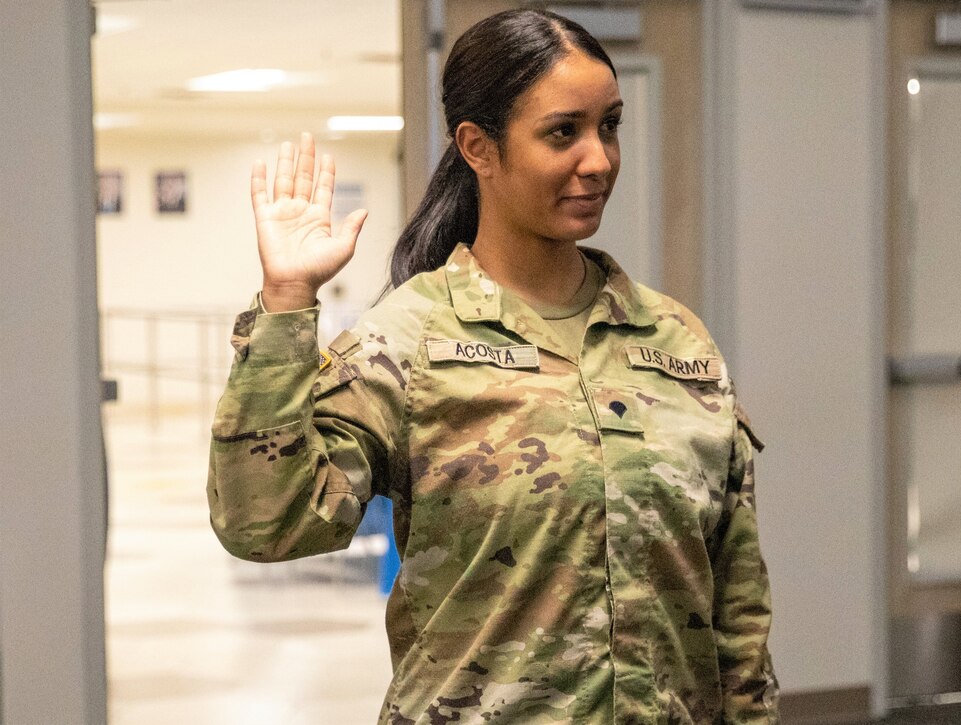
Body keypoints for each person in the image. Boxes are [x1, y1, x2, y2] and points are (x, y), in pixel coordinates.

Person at [207, 8, 778, 724]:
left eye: (610, 125)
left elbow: (737, 596)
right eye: (563, 132)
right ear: (478, 147)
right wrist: (286, 301)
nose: (598, 159)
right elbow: (268, 523)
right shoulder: (410, 339)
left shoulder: (676, 342)